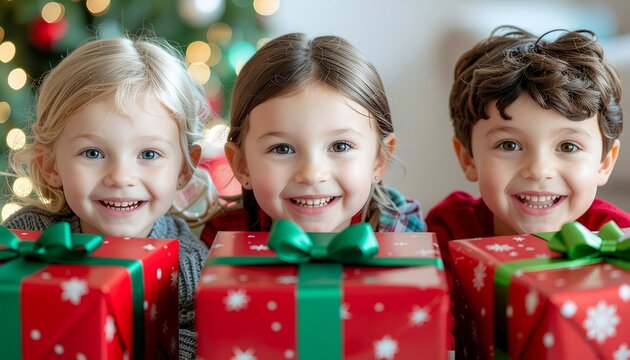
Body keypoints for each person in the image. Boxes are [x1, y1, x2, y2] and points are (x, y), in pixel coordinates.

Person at [2, 37, 214, 359]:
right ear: (50, 166)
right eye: (93, 152)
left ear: (184, 168)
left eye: (149, 153)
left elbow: (210, 345)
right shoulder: (28, 236)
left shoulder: (190, 266)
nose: (120, 177)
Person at [426, 25, 630, 278]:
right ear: (468, 159)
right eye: (509, 145)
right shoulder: (448, 231)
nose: (538, 170)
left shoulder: (618, 236)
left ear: (604, 164)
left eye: (568, 146)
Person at [200, 32, 426, 245]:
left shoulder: (403, 233)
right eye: (282, 149)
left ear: (379, 160)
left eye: (340, 146)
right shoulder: (222, 239)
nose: (311, 174)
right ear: (242, 165)